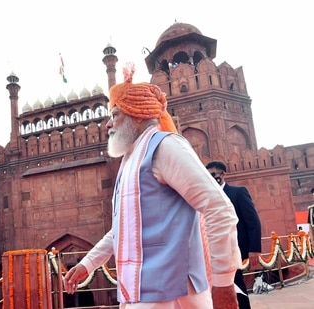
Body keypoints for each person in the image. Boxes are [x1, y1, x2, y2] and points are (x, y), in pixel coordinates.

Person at [63, 63, 241, 309]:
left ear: (136, 115)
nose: (108, 124)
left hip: (173, 293)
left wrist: (223, 285)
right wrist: (88, 264)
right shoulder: (131, 161)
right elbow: (122, 230)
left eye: (115, 115)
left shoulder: (165, 146)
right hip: (140, 291)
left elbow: (219, 209)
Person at [205, 160, 262, 309]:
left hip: (235, 248)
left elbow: (253, 221)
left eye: (213, 175)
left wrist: (254, 249)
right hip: (215, 249)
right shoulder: (208, 197)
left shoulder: (238, 192)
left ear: (223, 174)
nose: (211, 178)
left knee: (236, 284)